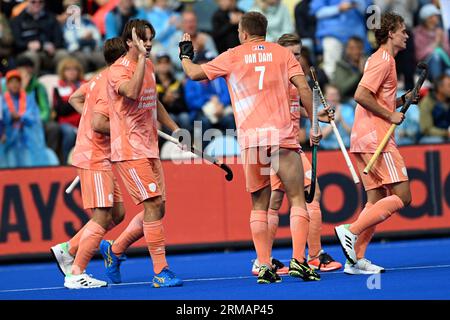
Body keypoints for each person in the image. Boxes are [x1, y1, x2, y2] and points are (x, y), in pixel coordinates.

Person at [179, 12, 322, 284]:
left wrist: (186, 53)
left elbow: (195, 73)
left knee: (260, 205)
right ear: (265, 31)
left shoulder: (233, 54)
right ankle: (299, 261)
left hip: (252, 141)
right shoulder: (283, 54)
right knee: (297, 199)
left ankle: (265, 266)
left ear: (243, 32)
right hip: (281, 136)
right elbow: (304, 88)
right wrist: (313, 120)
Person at [98, 19, 183, 288]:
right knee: (153, 205)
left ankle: (115, 249)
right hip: (129, 149)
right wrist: (141, 60)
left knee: (159, 209)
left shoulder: (147, 65)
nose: (148, 44)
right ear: (129, 43)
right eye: (142, 40)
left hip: (149, 147)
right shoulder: (117, 71)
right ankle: (161, 271)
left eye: (150, 40)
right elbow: (133, 92)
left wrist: (175, 128)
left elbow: (152, 100)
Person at [335, 12, 419, 275]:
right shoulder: (384, 60)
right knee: (403, 197)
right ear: (391, 33)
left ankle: (355, 259)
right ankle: (351, 230)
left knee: (376, 198)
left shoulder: (382, 60)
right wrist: (390, 115)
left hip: (364, 137)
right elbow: (360, 94)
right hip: (376, 139)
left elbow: (376, 100)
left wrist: (401, 100)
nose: (407, 35)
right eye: (403, 31)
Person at [251, 33, 342, 276]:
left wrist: (315, 116)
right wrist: (312, 128)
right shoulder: (274, 78)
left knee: (276, 201)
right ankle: (312, 257)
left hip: (282, 146)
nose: (295, 58)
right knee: (311, 194)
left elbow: (294, 106)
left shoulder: (294, 78)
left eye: (298, 53)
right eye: (290, 53)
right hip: (280, 146)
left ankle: (264, 260)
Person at [50, 37, 128, 289]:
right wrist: (126, 127)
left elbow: (75, 98)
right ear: (123, 58)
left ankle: (68, 249)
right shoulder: (107, 83)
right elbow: (98, 124)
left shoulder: (98, 77)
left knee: (117, 213)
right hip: (94, 155)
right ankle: (76, 272)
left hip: (99, 154)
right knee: (102, 215)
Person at [0, 69, 50, 167]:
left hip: (27, 142)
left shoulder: (29, 98)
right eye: (11, 82)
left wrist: (20, 117)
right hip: (9, 142)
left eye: (17, 82)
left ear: (20, 84)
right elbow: (2, 118)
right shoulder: (2, 100)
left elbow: (35, 117)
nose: (14, 85)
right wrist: (10, 117)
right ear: (7, 85)